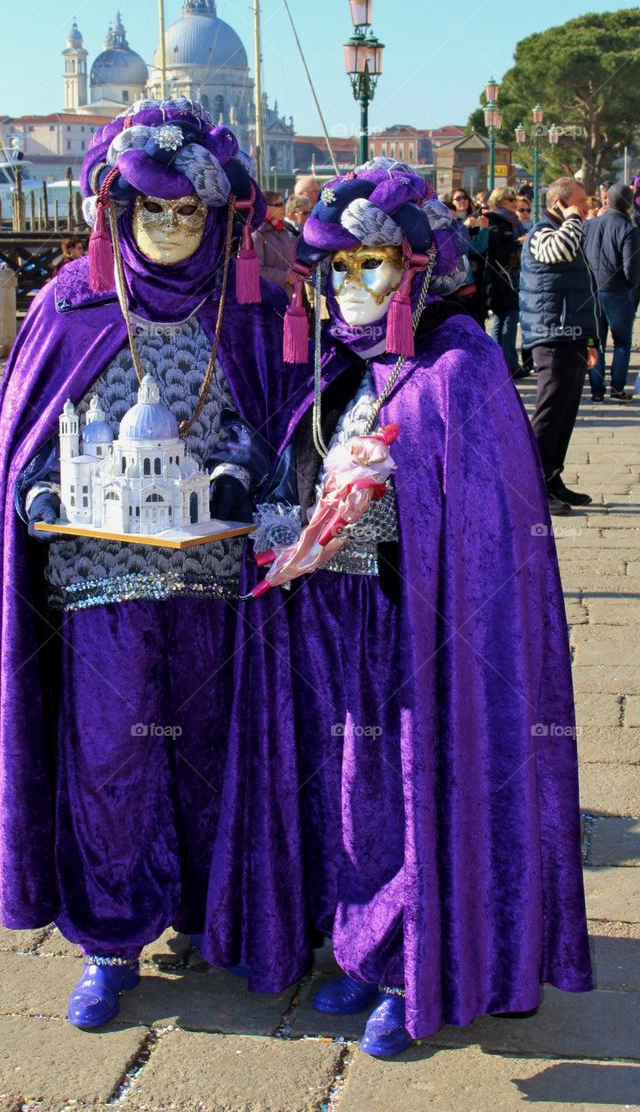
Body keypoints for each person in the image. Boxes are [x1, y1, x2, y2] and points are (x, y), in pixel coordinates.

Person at [240, 157, 592, 1058]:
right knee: (350, 792)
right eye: (340, 269)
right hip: (336, 623)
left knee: (414, 786)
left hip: (423, 632)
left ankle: (416, 964)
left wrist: (391, 523)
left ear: (414, 267)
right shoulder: (337, 363)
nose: (355, 284)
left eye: (375, 265)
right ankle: (360, 945)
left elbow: (481, 528)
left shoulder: (459, 364)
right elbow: (298, 469)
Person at [0, 97, 309, 1029]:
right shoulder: (70, 309)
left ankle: (213, 907)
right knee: (110, 758)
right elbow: (26, 445)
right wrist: (41, 499)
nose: (169, 229)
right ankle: (111, 936)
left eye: (188, 213)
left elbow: (285, 433)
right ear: (116, 215)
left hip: (219, 586)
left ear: (218, 222)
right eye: (150, 211)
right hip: (102, 591)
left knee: (214, 753)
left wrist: (248, 483)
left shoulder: (253, 316)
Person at [520, 177, 599, 514]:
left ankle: (552, 478)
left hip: (572, 336)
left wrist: (591, 339)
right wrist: (571, 218)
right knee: (550, 413)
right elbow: (559, 251)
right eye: (580, 201)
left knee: (565, 414)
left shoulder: (567, 229)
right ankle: (532, 486)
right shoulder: (543, 232)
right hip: (552, 335)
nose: (586, 206)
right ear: (560, 203)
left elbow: (583, 289)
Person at [584, 182, 640, 402]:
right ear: (629, 203)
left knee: (595, 342)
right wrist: (631, 286)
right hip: (617, 291)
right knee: (622, 342)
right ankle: (617, 387)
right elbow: (630, 266)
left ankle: (597, 390)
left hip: (592, 290)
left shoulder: (590, 225)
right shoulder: (629, 229)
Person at [483, 187, 523, 377]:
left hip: (504, 277)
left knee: (501, 320)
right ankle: (510, 364)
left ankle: (500, 364)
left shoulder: (509, 222)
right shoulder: (498, 222)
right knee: (508, 318)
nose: (515, 202)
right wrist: (517, 244)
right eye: (510, 199)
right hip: (501, 278)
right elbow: (496, 251)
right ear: (499, 201)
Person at [251, 190, 296, 294]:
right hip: (267, 298)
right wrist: (286, 277)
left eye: (284, 203)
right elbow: (255, 271)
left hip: (287, 296)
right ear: (264, 207)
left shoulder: (283, 229)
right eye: (279, 204)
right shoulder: (256, 233)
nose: (284, 207)